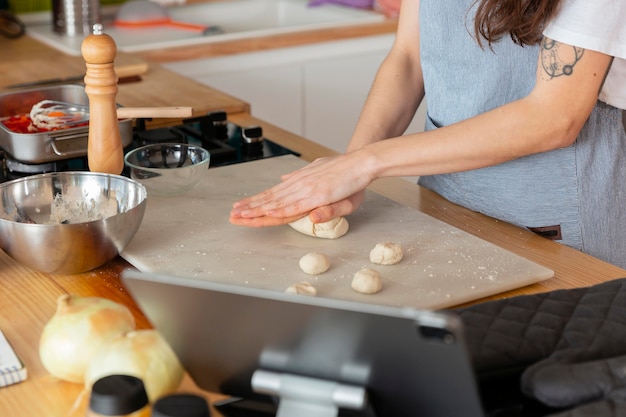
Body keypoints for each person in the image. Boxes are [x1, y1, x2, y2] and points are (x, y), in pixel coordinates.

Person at [230, 0, 626, 269]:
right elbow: (408, 57)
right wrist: (346, 174)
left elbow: (554, 117)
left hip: (554, 225)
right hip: (443, 202)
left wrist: (366, 163)